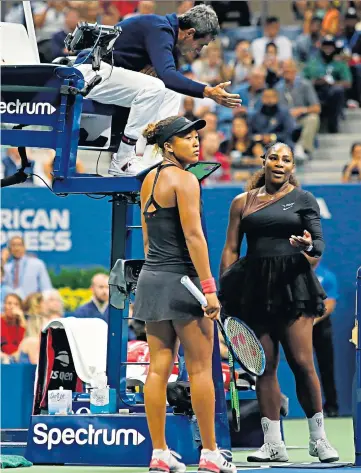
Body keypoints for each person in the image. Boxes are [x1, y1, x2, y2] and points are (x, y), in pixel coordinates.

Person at [219, 142, 339, 463]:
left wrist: (308, 244)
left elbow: (319, 244)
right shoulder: (241, 202)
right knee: (265, 365)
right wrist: (224, 290)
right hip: (255, 288)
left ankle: (318, 439)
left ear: (292, 167)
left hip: (294, 285)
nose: (280, 163)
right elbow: (232, 248)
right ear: (264, 161)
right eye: (274, 157)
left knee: (302, 362)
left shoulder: (303, 199)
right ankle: (273, 443)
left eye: (286, 159)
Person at [132, 115, 236, 473]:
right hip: (185, 284)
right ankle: (209, 453)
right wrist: (209, 289)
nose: (195, 142)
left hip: (152, 279)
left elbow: (147, 240)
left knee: (158, 369)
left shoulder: (148, 180)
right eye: (186, 137)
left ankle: (159, 452)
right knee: (201, 369)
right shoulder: (187, 180)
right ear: (167, 146)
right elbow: (195, 238)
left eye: (196, 136)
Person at [75, 4, 240, 176]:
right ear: (190, 33)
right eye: (200, 45)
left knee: (170, 93)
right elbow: (168, 76)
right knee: (155, 87)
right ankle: (123, 160)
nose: (198, 50)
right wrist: (208, 91)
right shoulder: (159, 28)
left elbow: (169, 80)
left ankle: (156, 159)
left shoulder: (167, 39)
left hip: (108, 75)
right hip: (89, 73)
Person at [306, 256, 339, 417]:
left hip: (321, 328)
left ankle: (332, 406)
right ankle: (308, 407)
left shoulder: (327, 276)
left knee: (326, 367)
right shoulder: (297, 275)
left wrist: (312, 321)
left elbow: (330, 303)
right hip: (299, 327)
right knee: (302, 366)